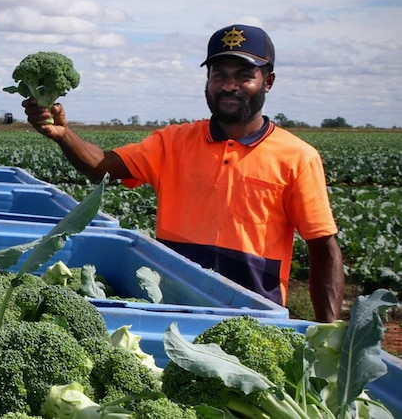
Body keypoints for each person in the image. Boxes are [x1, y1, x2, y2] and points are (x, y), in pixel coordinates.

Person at [22, 24, 344, 322]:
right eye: (219, 75)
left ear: (268, 81)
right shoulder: (173, 142)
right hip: (173, 310)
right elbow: (101, 166)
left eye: (244, 75)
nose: (229, 85)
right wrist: (63, 134)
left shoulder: (298, 157)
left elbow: (323, 248)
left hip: (252, 316)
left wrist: (328, 332)